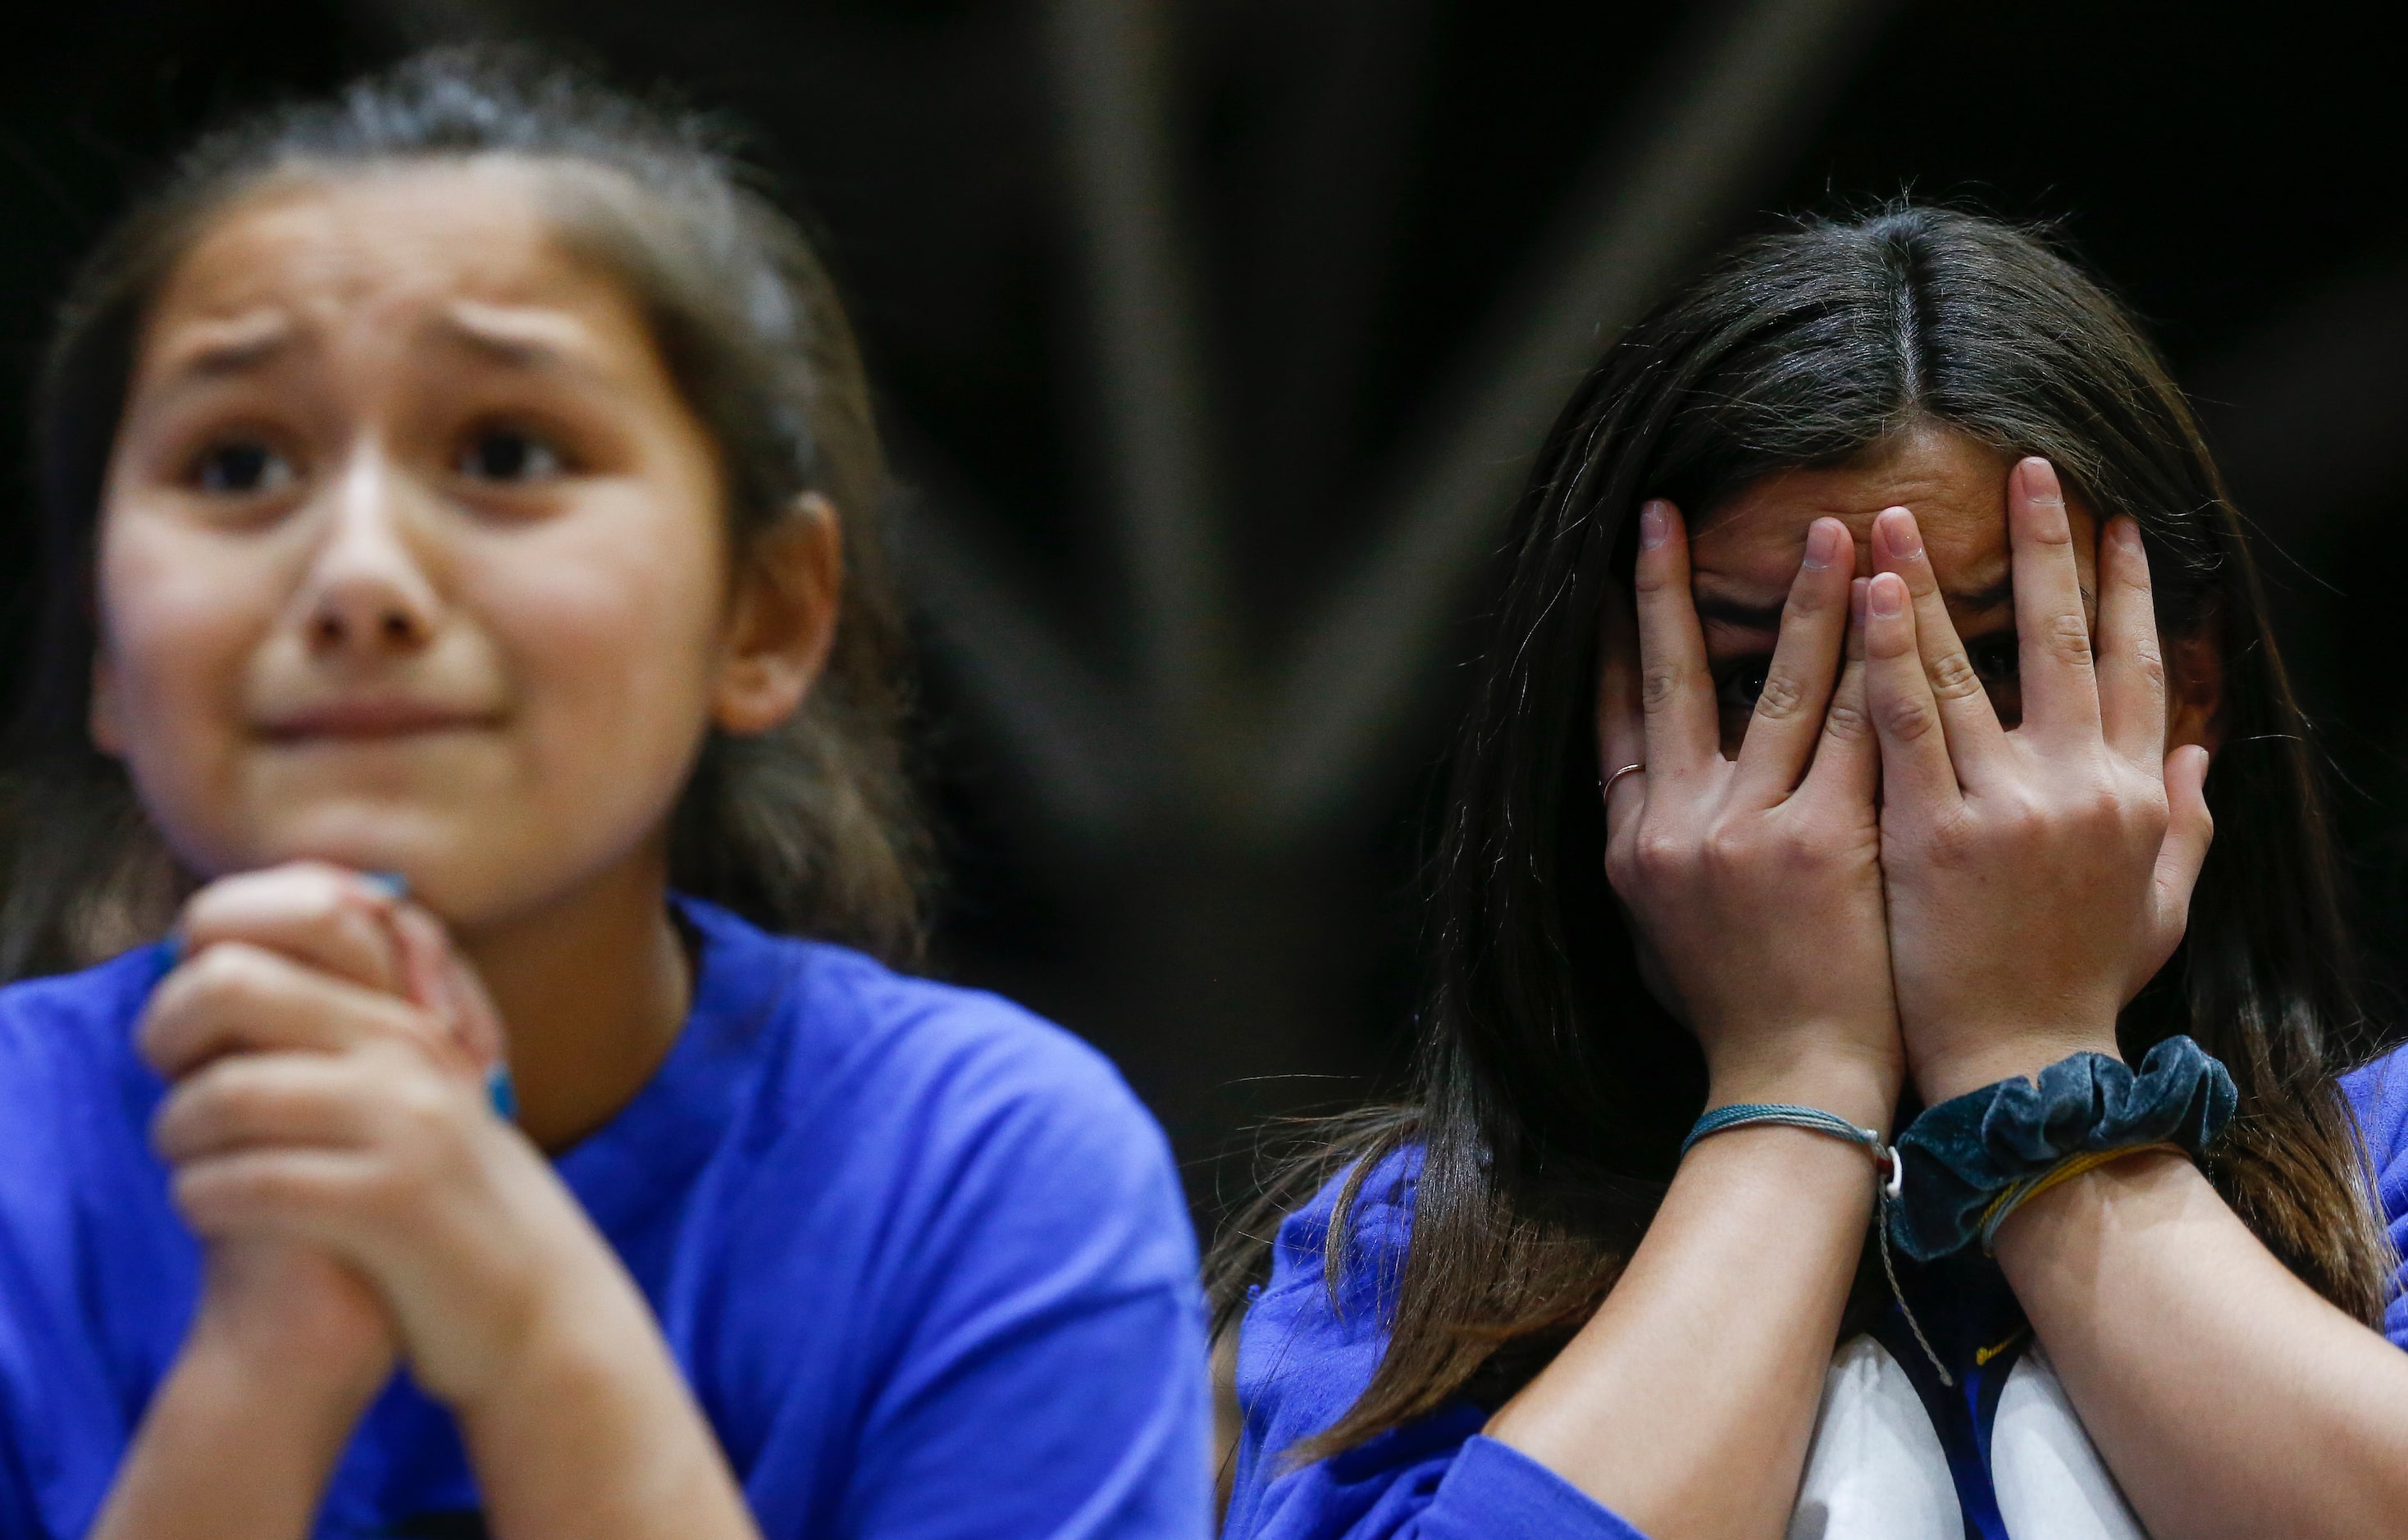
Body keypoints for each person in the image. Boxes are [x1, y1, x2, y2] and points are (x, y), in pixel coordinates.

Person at [0, 48, 1206, 1540]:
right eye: (239, 462)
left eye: (507, 450)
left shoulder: (985, 1172)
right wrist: (268, 1365)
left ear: (762, 615)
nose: (358, 575)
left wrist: (511, 1300)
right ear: (104, 645)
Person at [1211, 204, 2408, 1540]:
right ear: (1598, 734)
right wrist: (1797, 1080)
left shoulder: (2395, 1168)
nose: (1899, 748)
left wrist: (2033, 1072)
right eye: (1754, 675)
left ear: (2186, 697)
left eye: (1999, 656)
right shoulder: (1396, 1261)